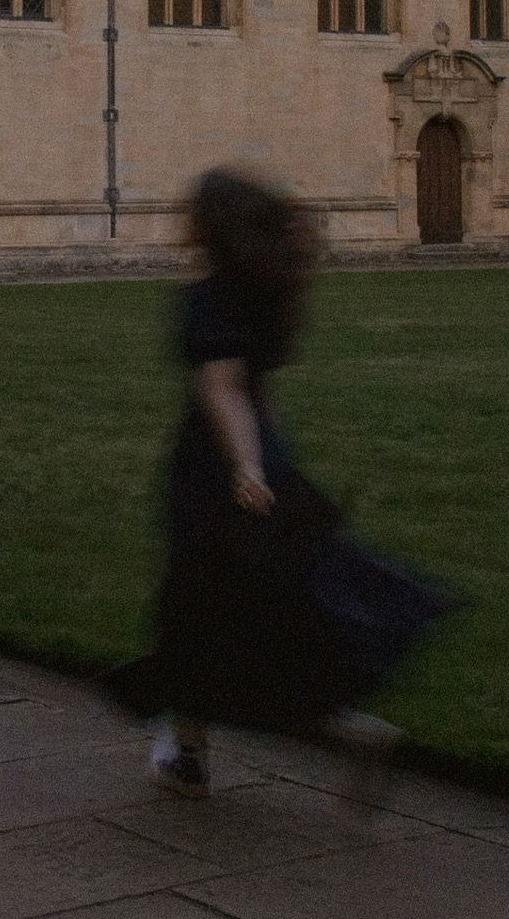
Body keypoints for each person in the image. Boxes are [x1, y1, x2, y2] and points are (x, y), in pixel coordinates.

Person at [105, 166, 453, 798]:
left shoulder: (209, 300)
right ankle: (346, 727)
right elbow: (259, 394)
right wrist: (274, 461)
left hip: (216, 468)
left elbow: (224, 390)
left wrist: (245, 467)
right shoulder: (262, 295)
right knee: (276, 604)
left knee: (195, 612)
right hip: (270, 453)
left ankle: (188, 757)